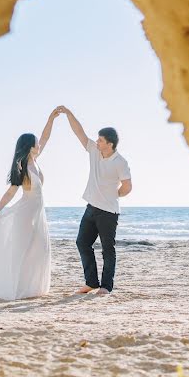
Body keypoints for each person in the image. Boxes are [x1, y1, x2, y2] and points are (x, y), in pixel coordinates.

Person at [0, 109, 59, 300]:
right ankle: (19, 288)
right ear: (29, 146)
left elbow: (45, 137)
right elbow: (11, 192)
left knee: (39, 249)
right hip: (26, 213)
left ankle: (32, 288)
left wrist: (51, 118)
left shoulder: (35, 160)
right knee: (24, 250)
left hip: (37, 213)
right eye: (35, 142)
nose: (38, 144)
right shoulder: (23, 168)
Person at [57, 106, 132, 295]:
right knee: (82, 243)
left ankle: (106, 287)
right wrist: (68, 113)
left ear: (110, 144)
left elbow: (127, 186)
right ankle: (91, 283)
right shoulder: (94, 152)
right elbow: (79, 133)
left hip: (108, 212)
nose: (96, 142)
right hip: (90, 208)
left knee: (108, 250)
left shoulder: (120, 162)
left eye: (100, 140)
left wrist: (115, 195)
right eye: (97, 140)